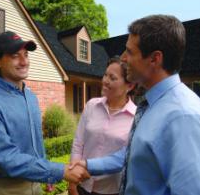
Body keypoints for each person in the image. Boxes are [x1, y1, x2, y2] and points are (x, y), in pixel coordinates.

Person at [71, 14, 200, 195]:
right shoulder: (150, 105)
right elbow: (131, 155)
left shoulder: (183, 116)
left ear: (155, 59)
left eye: (130, 52)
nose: (123, 58)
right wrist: (88, 164)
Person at [0, 31, 90, 195]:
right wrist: (59, 171)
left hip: (33, 183)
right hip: (2, 188)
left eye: (26, 55)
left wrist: (46, 175)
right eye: (15, 56)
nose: (24, 62)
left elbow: (36, 140)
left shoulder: (30, 96)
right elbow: (6, 158)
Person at [69, 56, 137, 195]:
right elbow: (78, 144)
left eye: (112, 78)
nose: (105, 81)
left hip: (111, 190)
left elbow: (126, 158)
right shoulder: (91, 105)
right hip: (82, 186)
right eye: (105, 75)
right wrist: (72, 182)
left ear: (129, 86)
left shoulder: (136, 118)